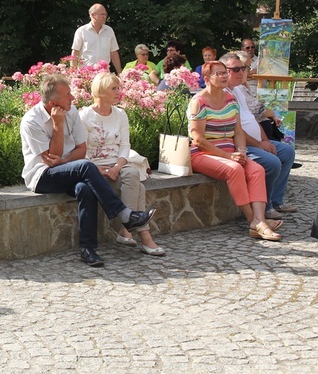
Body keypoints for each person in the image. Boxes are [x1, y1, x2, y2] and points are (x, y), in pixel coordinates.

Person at [20, 74, 156, 267]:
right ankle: (125, 215)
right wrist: (57, 125)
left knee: (85, 188)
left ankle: (88, 249)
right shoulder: (31, 121)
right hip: (42, 176)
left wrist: (67, 161)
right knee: (85, 166)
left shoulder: (72, 111)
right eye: (68, 95)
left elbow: (81, 149)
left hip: (71, 169)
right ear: (53, 103)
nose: (73, 98)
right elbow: (52, 159)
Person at [187, 61, 280, 241]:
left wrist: (242, 151)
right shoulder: (198, 102)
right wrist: (228, 156)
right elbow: (198, 140)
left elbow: (238, 131)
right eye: (218, 74)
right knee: (235, 169)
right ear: (207, 78)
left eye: (224, 73)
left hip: (231, 153)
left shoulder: (230, 99)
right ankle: (254, 221)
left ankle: (259, 221)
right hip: (203, 154)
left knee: (257, 170)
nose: (224, 76)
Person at [79, 73, 165, 256]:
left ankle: (126, 229)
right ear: (101, 91)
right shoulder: (84, 115)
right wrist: (97, 169)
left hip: (118, 164)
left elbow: (125, 146)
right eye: (114, 89)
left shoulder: (120, 114)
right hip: (93, 168)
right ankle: (143, 236)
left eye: (119, 88)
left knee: (131, 173)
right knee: (139, 188)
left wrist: (118, 167)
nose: (119, 92)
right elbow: (80, 149)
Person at [221, 52, 296, 220]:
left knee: (287, 152)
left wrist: (266, 141)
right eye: (236, 69)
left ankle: (276, 200)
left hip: (256, 142)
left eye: (243, 68)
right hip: (241, 145)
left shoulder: (238, 90)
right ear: (224, 71)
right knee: (272, 162)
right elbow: (236, 130)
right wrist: (260, 144)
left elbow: (253, 118)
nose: (241, 72)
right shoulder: (224, 94)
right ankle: (266, 207)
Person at [71, 4, 122, 73]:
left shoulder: (109, 31)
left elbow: (114, 53)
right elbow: (75, 52)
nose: (104, 17)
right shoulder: (81, 31)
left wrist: (120, 73)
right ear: (92, 15)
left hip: (104, 74)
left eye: (105, 14)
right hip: (86, 74)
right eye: (102, 14)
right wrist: (72, 72)